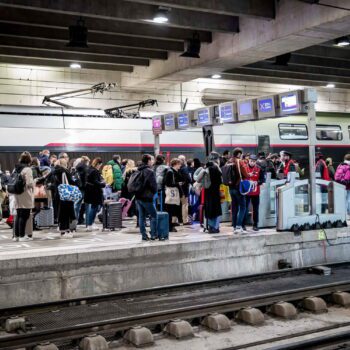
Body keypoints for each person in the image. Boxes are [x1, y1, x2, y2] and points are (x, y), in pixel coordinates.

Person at [132, 154, 158, 241]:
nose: (153, 161)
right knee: (154, 215)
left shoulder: (137, 170)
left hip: (138, 197)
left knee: (141, 217)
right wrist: (153, 192)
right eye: (152, 160)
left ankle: (144, 235)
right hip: (147, 198)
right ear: (149, 160)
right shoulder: (149, 171)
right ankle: (153, 234)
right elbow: (154, 186)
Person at [50, 158, 76, 237]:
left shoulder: (54, 172)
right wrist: (77, 181)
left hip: (58, 194)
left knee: (61, 213)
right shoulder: (65, 171)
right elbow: (71, 182)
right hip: (66, 194)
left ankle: (63, 230)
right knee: (67, 213)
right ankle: (65, 231)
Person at [13, 152, 34, 241]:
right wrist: (35, 181)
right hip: (25, 193)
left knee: (18, 215)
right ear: (29, 159)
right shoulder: (27, 169)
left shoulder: (16, 168)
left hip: (17, 193)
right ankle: (22, 236)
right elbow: (29, 183)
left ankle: (16, 236)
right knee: (24, 215)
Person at [227, 148, 249, 234]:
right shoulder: (239, 161)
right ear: (239, 154)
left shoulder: (229, 161)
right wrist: (248, 174)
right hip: (238, 187)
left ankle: (234, 227)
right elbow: (245, 174)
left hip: (230, 187)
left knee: (234, 207)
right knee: (243, 207)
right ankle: (239, 226)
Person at [244, 155, 265, 231]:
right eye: (251, 161)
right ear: (248, 160)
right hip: (246, 192)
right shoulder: (244, 168)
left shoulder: (259, 169)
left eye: (254, 161)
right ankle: (243, 224)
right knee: (245, 208)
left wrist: (257, 182)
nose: (252, 163)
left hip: (255, 192)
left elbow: (262, 179)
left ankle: (255, 224)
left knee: (255, 209)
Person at [85, 157, 105, 231]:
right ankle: (90, 224)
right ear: (98, 164)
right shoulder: (95, 171)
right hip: (95, 192)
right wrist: (103, 184)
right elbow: (96, 182)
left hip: (90, 191)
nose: (100, 167)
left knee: (94, 207)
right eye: (100, 165)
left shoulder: (89, 169)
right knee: (94, 208)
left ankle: (91, 223)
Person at [204, 152, 223, 233]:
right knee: (216, 210)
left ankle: (210, 227)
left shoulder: (206, 167)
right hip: (215, 191)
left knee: (209, 209)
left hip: (207, 191)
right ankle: (215, 227)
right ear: (216, 159)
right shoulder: (216, 167)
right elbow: (220, 181)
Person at [164, 158, 183, 233]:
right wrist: (178, 184)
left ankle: (171, 226)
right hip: (171, 193)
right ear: (175, 164)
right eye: (179, 164)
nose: (180, 165)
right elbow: (168, 183)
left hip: (173, 193)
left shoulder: (173, 171)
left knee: (171, 210)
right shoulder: (170, 172)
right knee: (170, 211)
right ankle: (170, 227)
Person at [73, 156, 90, 224]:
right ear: (87, 161)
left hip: (78, 188)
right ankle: (88, 223)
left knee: (76, 205)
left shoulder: (76, 168)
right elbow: (86, 179)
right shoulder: (86, 168)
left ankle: (74, 221)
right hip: (85, 189)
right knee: (88, 205)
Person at [178, 155, 191, 225]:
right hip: (184, 189)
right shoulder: (184, 168)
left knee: (179, 205)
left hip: (178, 189)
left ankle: (178, 219)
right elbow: (189, 179)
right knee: (185, 205)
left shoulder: (177, 168)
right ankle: (185, 220)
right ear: (183, 160)